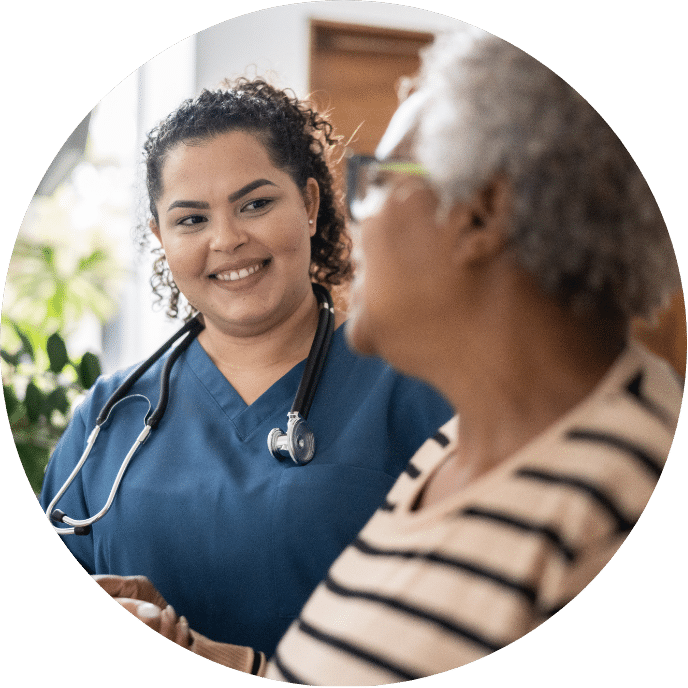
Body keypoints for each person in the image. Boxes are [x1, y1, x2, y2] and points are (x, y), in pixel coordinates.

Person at [96, 30, 683, 684]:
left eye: (380, 179)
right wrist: (205, 656)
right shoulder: (452, 459)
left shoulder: (622, 504)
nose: (358, 214)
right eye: (190, 218)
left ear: (479, 215)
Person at [40, 78, 452, 657]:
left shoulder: (419, 389)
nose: (227, 239)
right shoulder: (109, 416)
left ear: (309, 205)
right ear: (160, 237)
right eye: (190, 220)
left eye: (255, 204)